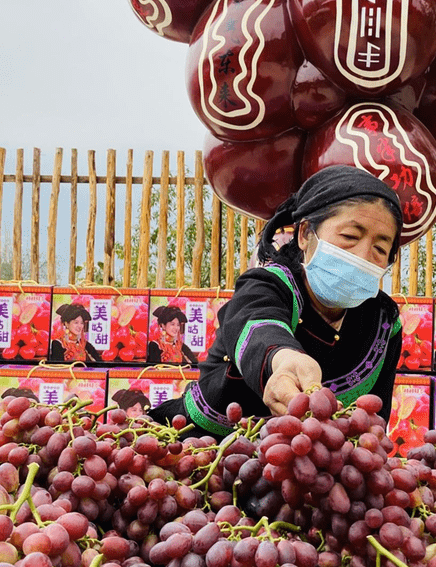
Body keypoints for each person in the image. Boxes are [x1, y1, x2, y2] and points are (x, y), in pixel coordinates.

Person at [150, 166, 404, 436]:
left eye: (380, 248)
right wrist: (283, 362)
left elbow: (371, 427)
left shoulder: (383, 322)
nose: (363, 255)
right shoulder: (268, 285)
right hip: (201, 453)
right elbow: (259, 322)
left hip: (311, 472)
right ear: (306, 234)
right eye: (350, 237)